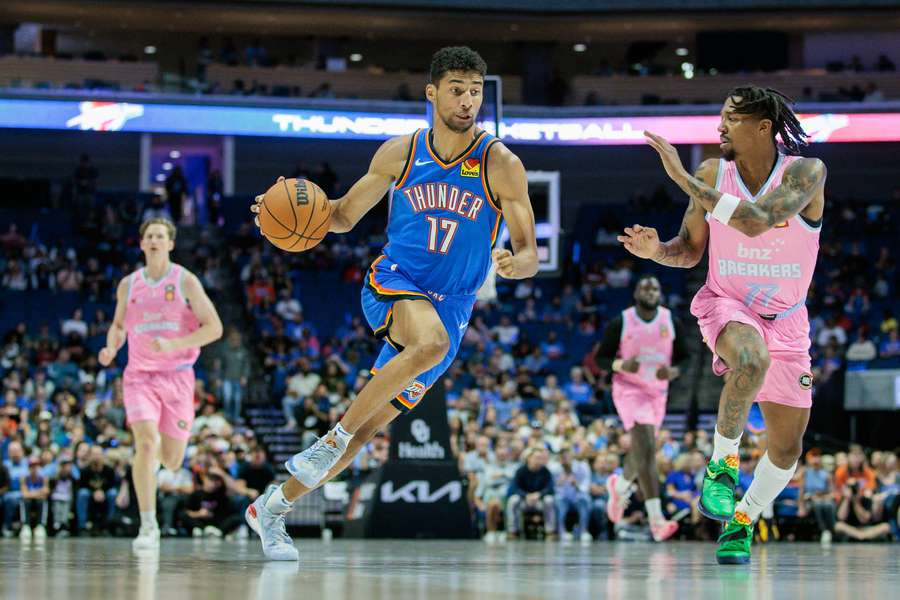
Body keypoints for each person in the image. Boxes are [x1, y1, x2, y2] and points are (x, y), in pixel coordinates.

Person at [246, 46, 538, 561]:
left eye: (475, 91)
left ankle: (271, 508)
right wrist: (277, 214)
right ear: (432, 93)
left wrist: (519, 263)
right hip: (395, 282)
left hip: (454, 304)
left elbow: (532, 251)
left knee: (368, 431)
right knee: (426, 346)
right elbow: (339, 216)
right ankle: (329, 440)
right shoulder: (399, 153)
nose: (467, 101)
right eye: (456, 90)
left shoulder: (502, 164)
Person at [620, 86, 826, 564]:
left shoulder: (806, 173)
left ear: (763, 128)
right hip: (728, 303)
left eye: (731, 119)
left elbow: (755, 221)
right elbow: (689, 250)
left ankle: (744, 519)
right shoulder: (714, 172)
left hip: (790, 320)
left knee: (787, 449)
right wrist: (657, 252)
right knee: (751, 359)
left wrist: (678, 176)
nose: (720, 127)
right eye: (721, 118)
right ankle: (722, 465)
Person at [98, 218, 223, 551]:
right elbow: (118, 325)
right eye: (149, 236)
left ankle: (151, 469)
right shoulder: (129, 285)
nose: (154, 240)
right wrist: (112, 346)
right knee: (146, 442)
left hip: (179, 377)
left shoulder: (186, 281)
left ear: (170, 243)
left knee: (171, 460)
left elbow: (214, 328)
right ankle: (148, 525)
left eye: (160, 236)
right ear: (141, 244)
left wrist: (174, 345)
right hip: (139, 377)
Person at [594, 275, 687, 541]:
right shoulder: (622, 321)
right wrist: (621, 365)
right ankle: (656, 520)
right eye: (645, 288)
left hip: (657, 393)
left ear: (660, 293)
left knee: (641, 451)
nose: (650, 292)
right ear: (636, 293)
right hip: (629, 390)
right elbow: (601, 358)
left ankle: (619, 485)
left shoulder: (671, 321)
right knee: (646, 449)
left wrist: (675, 371)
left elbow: (687, 357)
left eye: (655, 288)